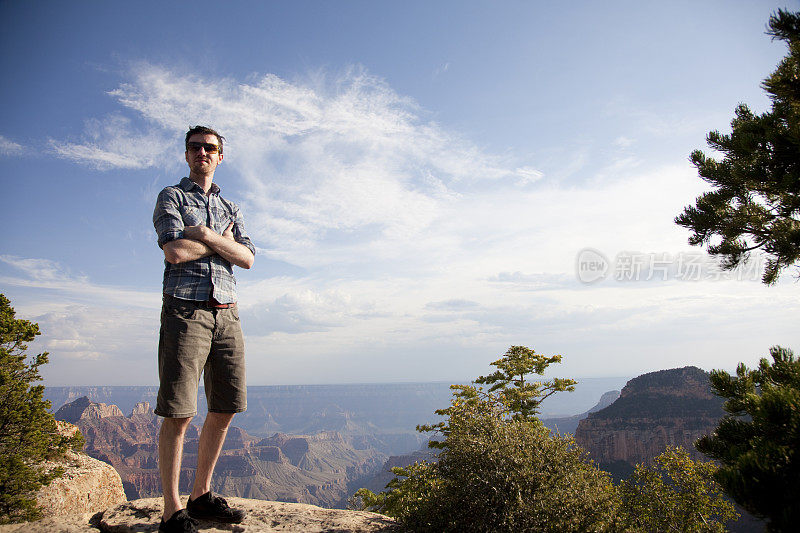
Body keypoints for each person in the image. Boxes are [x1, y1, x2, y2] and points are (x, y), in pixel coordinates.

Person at [152, 126, 255, 533]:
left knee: (226, 405)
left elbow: (247, 258)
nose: (203, 153)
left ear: (220, 156)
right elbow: (175, 251)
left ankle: (200, 497)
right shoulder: (171, 197)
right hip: (185, 312)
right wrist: (221, 243)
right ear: (186, 154)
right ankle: (172, 511)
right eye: (196, 147)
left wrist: (206, 236)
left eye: (211, 148)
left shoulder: (231, 205)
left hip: (227, 313)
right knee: (178, 412)